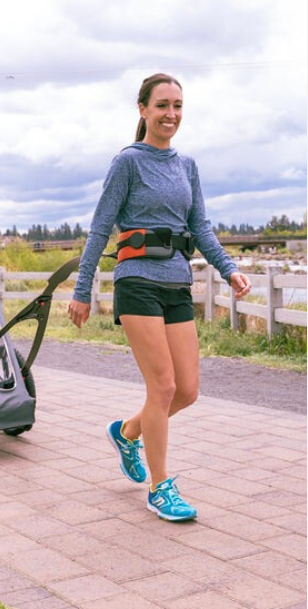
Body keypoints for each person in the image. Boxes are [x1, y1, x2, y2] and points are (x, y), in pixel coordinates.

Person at [67, 73, 252, 522]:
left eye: (178, 106)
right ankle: (160, 487)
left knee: (186, 391)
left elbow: (201, 227)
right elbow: (99, 228)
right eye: (163, 105)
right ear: (143, 110)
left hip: (176, 283)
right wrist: (82, 290)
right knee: (162, 386)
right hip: (137, 283)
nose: (171, 114)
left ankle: (128, 432)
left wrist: (229, 269)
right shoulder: (127, 162)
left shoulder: (187, 166)